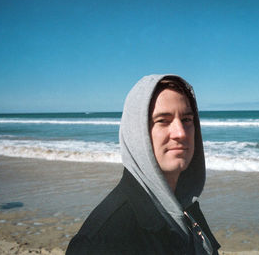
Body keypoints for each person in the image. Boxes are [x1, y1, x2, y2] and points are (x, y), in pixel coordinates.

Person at [66, 74, 220, 254]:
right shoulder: (103, 240)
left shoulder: (187, 209)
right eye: (163, 120)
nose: (181, 133)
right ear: (137, 133)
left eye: (186, 120)